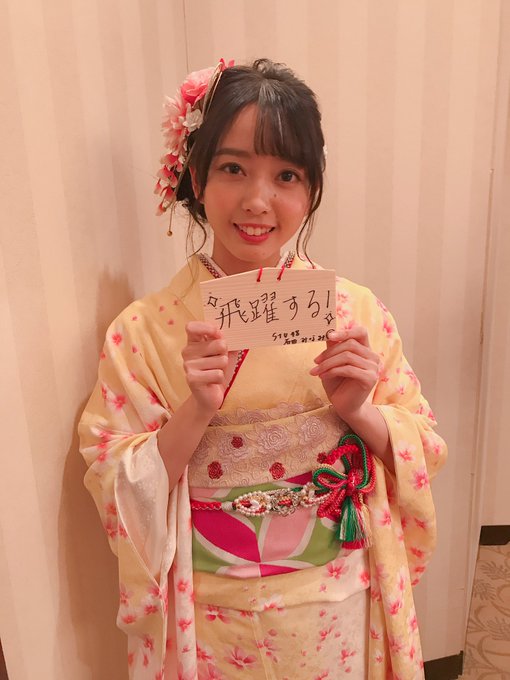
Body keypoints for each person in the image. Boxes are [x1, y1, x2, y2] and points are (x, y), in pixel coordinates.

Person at [79, 58, 447, 680]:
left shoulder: (355, 312)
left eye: (287, 175)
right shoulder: (142, 331)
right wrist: (196, 411)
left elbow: (424, 446)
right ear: (196, 176)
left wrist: (360, 411)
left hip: (336, 604)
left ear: (312, 190)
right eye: (233, 168)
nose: (257, 201)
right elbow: (112, 478)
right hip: (211, 616)